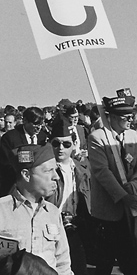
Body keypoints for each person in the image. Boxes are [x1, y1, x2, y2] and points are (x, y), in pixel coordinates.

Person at [87, 89, 137, 275]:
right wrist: (123, 196)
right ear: (112, 117)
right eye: (125, 117)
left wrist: (136, 186)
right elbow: (102, 172)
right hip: (109, 209)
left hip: (132, 207)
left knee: (131, 260)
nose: (130, 121)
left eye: (131, 117)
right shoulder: (97, 138)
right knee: (105, 262)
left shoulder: (134, 136)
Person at [0, 144, 73, 274]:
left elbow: (63, 263)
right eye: (48, 170)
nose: (56, 176)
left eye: (55, 170)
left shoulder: (53, 213)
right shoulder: (2, 211)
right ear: (26, 175)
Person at [46, 115, 89, 275]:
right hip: (51, 228)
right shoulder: (44, 171)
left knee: (79, 267)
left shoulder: (82, 169)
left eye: (66, 144)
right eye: (56, 143)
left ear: (74, 145)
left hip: (76, 226)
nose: (61, 148)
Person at [0, 107, 48, 196]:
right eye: (35, 124)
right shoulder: (10, 138)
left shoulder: (42, 137)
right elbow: (5, 164)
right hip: (14, 187)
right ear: (25, 121)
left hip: (37, 187)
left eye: (41, 124)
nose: (39, 128)